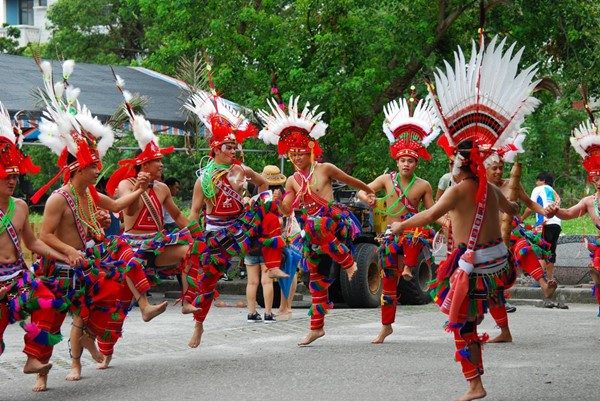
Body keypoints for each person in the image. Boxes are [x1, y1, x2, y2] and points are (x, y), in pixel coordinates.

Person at [405, 35, 540, 401]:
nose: (453, 163)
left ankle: (475, 385)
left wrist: (401, 225)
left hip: (474, 268)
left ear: (460, 162)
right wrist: (514, 206)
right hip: (497, 266)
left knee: (462, 325)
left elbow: (431, 214)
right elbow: (513, 210)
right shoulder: (489, 188)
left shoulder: (460, 188)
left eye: (454, 160)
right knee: (471, 318)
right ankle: (478, 373)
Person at [30, 60, 163, 384]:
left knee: (96, 300)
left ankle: (136, 309)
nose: (97, 171)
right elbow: (44, 235)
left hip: (87, 260)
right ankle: (44, 375)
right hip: (62, 266)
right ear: (77, 169)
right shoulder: (59, 198)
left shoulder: (88, 193)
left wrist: (141, 188)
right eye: (93, 167)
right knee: (49, 320)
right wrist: (68, 253)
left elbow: (117, 204)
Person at [257, 95, 375, 346]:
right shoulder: (291, 180)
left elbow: (352, 181)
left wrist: (369, 191)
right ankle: (316, 327)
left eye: (301, 152)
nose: (297, 157)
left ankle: (349, 262)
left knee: (316, 225)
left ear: (310, 150)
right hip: (314, 232)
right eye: (293, 154)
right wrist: (276, 202)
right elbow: (288, 209)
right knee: (315, 279)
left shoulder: (325, 169)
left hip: (333, 222)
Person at [184, 87, 286, 348]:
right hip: (217, 233)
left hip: (242, 227)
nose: (234, 150)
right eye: (229, 147)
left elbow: (265, 186)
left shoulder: (243, 169)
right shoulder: (203, 180)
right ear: (216, 148)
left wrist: (255, 198)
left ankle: (273, 264)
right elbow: (194, 214)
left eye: (235, 146)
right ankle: (198, 326)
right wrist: (197, 240)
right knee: (207, 280)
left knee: (268, 204)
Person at [356, 94, 439, 344]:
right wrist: (366, 197)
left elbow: (431, 212)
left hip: (412, 233)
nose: (406, 164)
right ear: (397, 160)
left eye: (410, 161)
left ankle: (410, 268)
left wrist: (445, 223)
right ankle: (386, 326)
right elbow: (361, 189)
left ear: (416, 163)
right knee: (387, 284)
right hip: (390, 235)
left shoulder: (423, 185)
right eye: (402, 160)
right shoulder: (386, 180)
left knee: (415, 234)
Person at [0, 102, 70, 392]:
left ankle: (33, 358)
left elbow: (32, 242)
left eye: (16, 176)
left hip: (19, 276)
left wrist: (62, 253)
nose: (13, 181)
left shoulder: (20, 207)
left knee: (49, 303)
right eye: (8, 177)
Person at [484, 149, 559, 341]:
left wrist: (545, 211)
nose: (499, 172)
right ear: (484, 169)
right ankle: (504, 332)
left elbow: (530, 203)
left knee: (522, 247)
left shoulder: (512, 185)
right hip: (490, 238)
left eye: (501, 168)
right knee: (494, 288)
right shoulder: (478, 187)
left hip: (514, 233)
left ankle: (544, 285)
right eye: (494, 168)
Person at [546, 119, 600, 316]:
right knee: (596, 270)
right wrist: (555, 210)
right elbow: (569, 213)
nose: (598, 182)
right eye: (595, 178)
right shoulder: (589, 201)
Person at [245, 165, 286, 323]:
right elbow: (279, 224)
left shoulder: (252, 199)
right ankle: (268, 314)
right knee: (267, 280)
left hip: (251, 245)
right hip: (268, 246)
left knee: (252, 281)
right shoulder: (273, 202)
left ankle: (251, 313)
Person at [522, 172, 562, 285]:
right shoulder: (554, 192)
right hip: (557, 223)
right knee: (551, 252)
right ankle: (550, 279)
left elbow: (530, 206)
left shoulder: (539, 189)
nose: (536, 183)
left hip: (545, 223)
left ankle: (539, 281)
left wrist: (521, 218)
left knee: (540, 251)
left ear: (542, 180)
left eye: (537, 180)